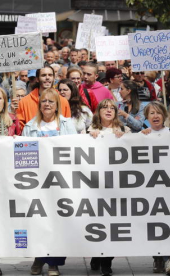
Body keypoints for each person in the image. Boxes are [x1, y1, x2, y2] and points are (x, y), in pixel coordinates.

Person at [22, 88, 76, 276]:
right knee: (40, 222)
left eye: (51, 102)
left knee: (58, 223)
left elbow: (77, 150)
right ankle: (38, 257)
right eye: (44, 101)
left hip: (61, 182)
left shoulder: (68, 125)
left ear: (57, 105)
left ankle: (53, 263)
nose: (47, 104)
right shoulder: (29, 127)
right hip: (37, 183)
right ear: (39, 104)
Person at [88, 99, 130, 276]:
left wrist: (126, 138)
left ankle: (107, 261)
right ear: (98, 111)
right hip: (95, 187)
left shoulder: (124, 131)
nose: (108, 110)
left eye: (112, 108)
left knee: (114, 225)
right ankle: (96, 255)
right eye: (104, 107)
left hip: (117, 187)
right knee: (97, 223)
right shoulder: (88, 131)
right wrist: (90, 137)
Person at [139, 101, 170, 274]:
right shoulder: (142, 135)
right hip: (150, 188)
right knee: (154, 224)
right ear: (146, 117)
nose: (155, 116)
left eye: (158, 113)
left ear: (164, 115)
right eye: (151, 113)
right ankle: (157, 258)